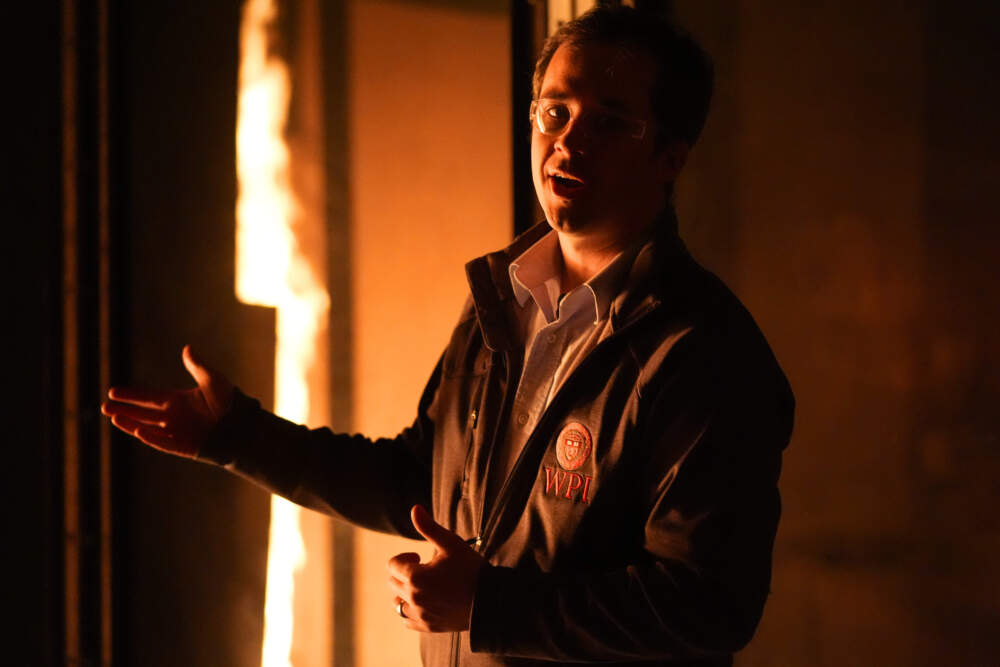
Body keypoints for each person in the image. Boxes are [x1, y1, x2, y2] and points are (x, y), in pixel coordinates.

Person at [103, 6, 794, 666]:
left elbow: (709, 603)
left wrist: (490, 602)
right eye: (555, 112)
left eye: (611, 123)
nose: (568, 141)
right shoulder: (503, 299)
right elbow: (419, 479)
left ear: (670, 156)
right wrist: (236, 436)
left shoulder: (704, 350)